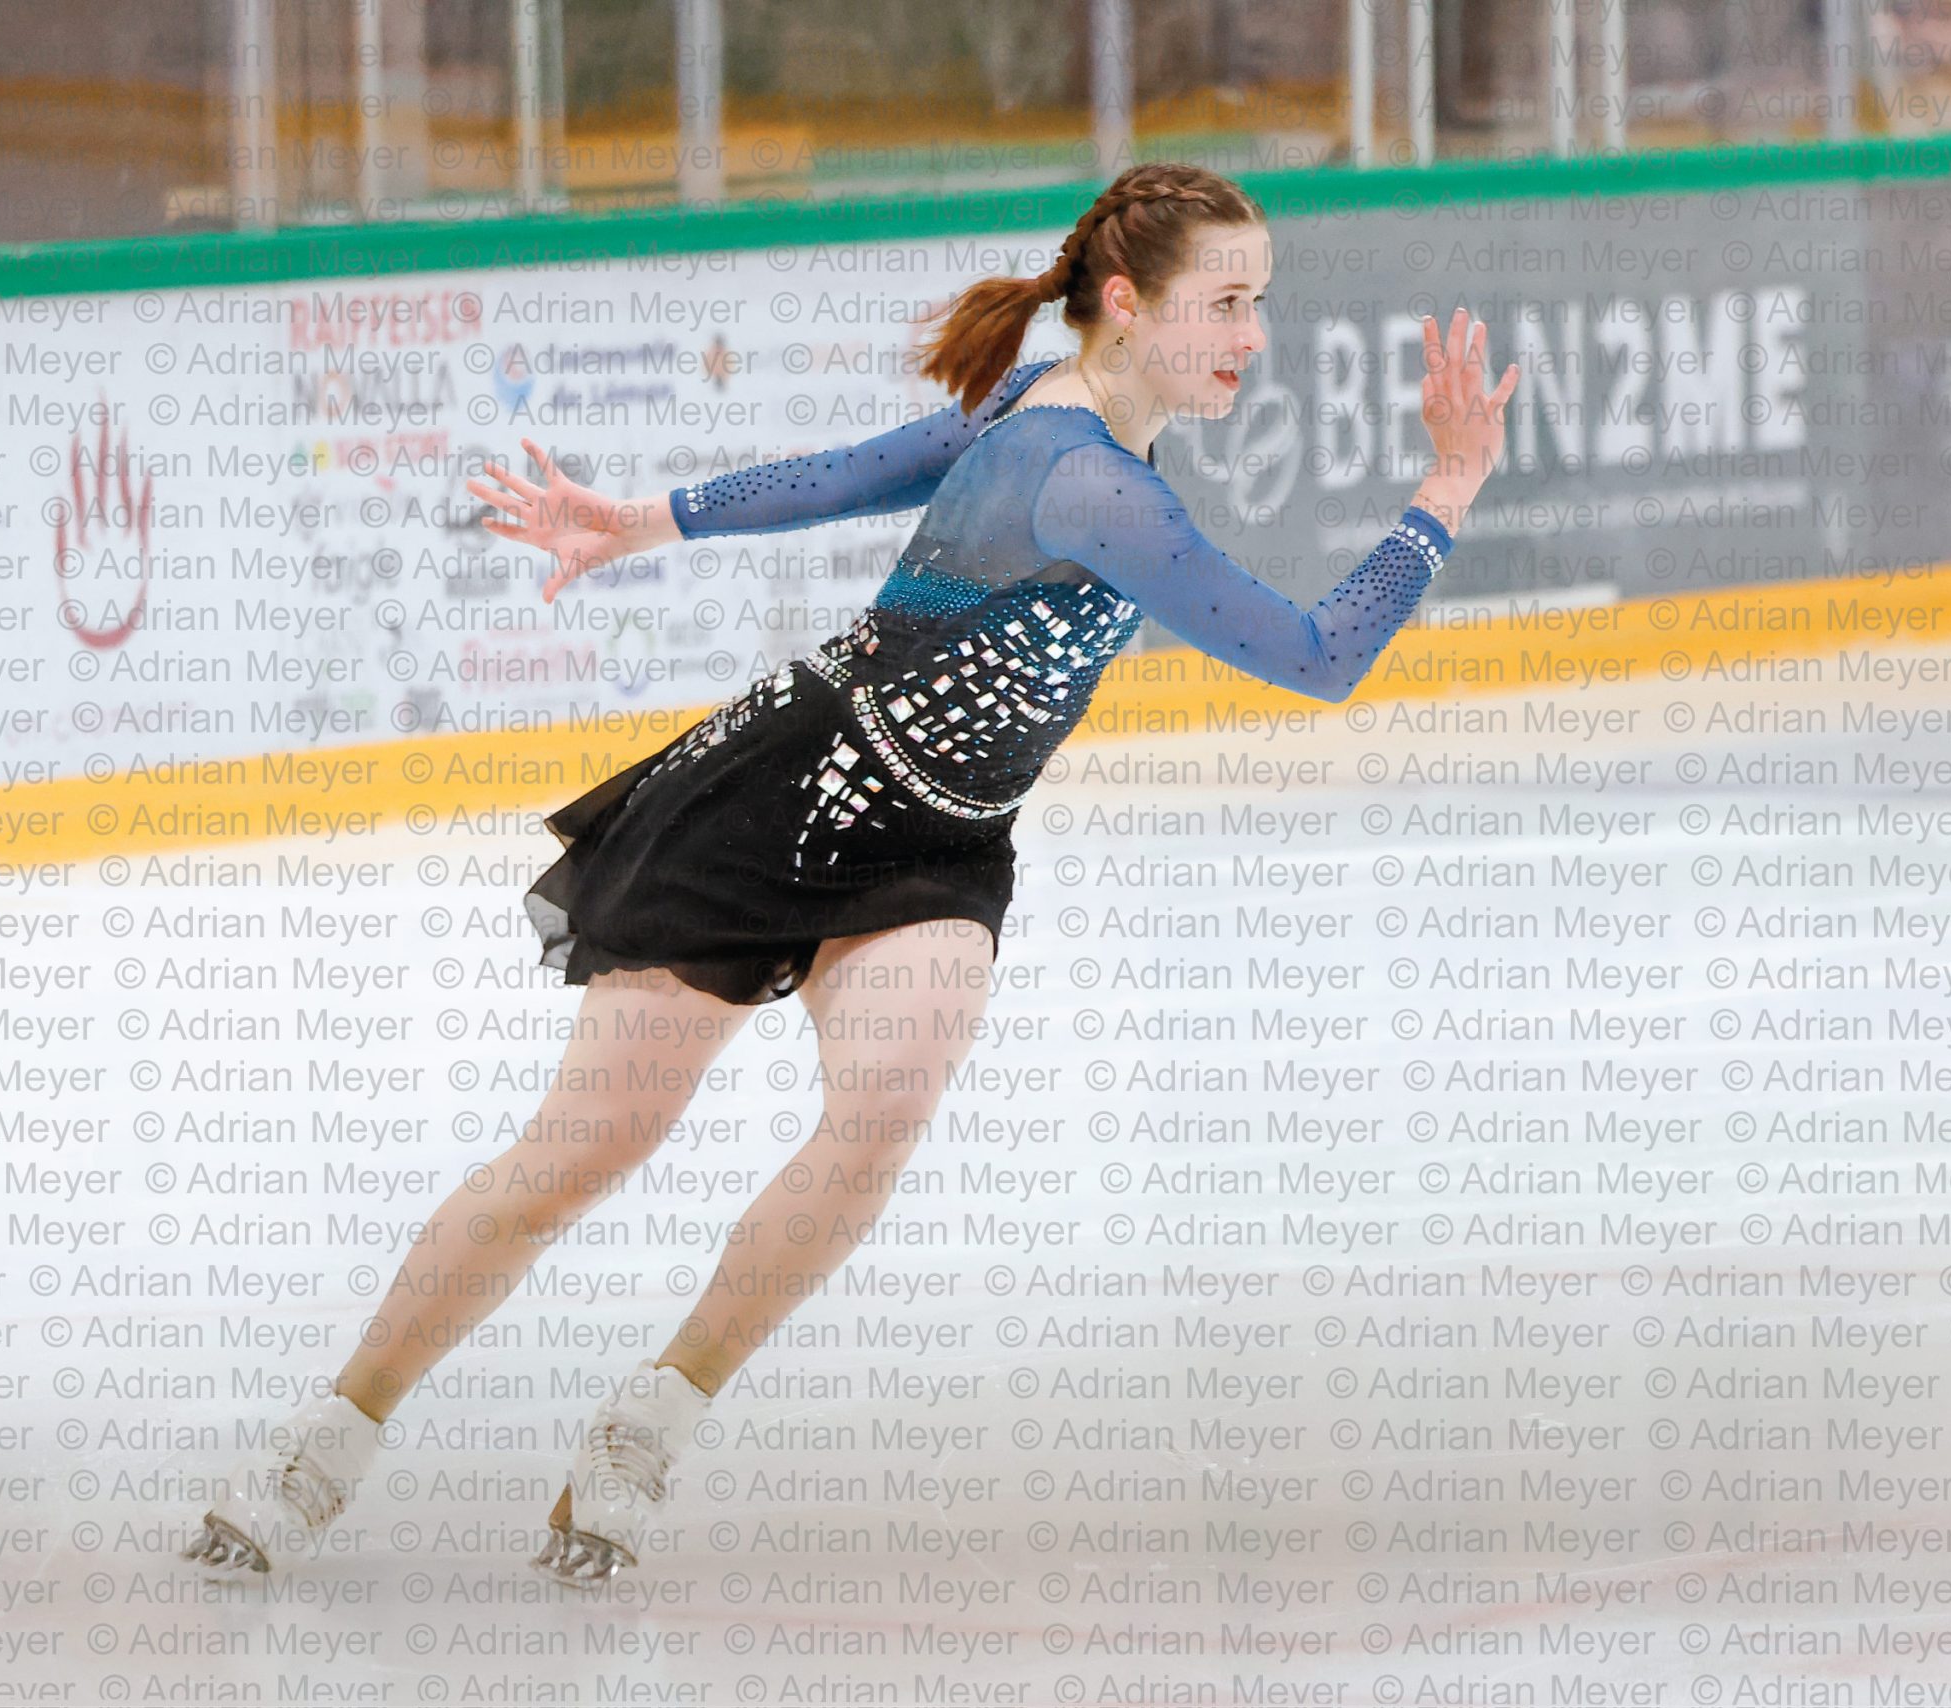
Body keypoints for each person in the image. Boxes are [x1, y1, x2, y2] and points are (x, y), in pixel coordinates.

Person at [180, 161, 1517, 1588]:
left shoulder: (1053, 413)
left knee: (880, 1114)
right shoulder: (1089, 482)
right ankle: (330, 1438)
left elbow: (861, 470)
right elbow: (1316, 656)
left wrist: (648, 519)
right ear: (1127, 307)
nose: (1254, 338)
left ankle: (652, 1419)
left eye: (1263, 303)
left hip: (940, 841)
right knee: (579, 1159)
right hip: (782, 802)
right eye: (1227, 305)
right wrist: (1446, 487)